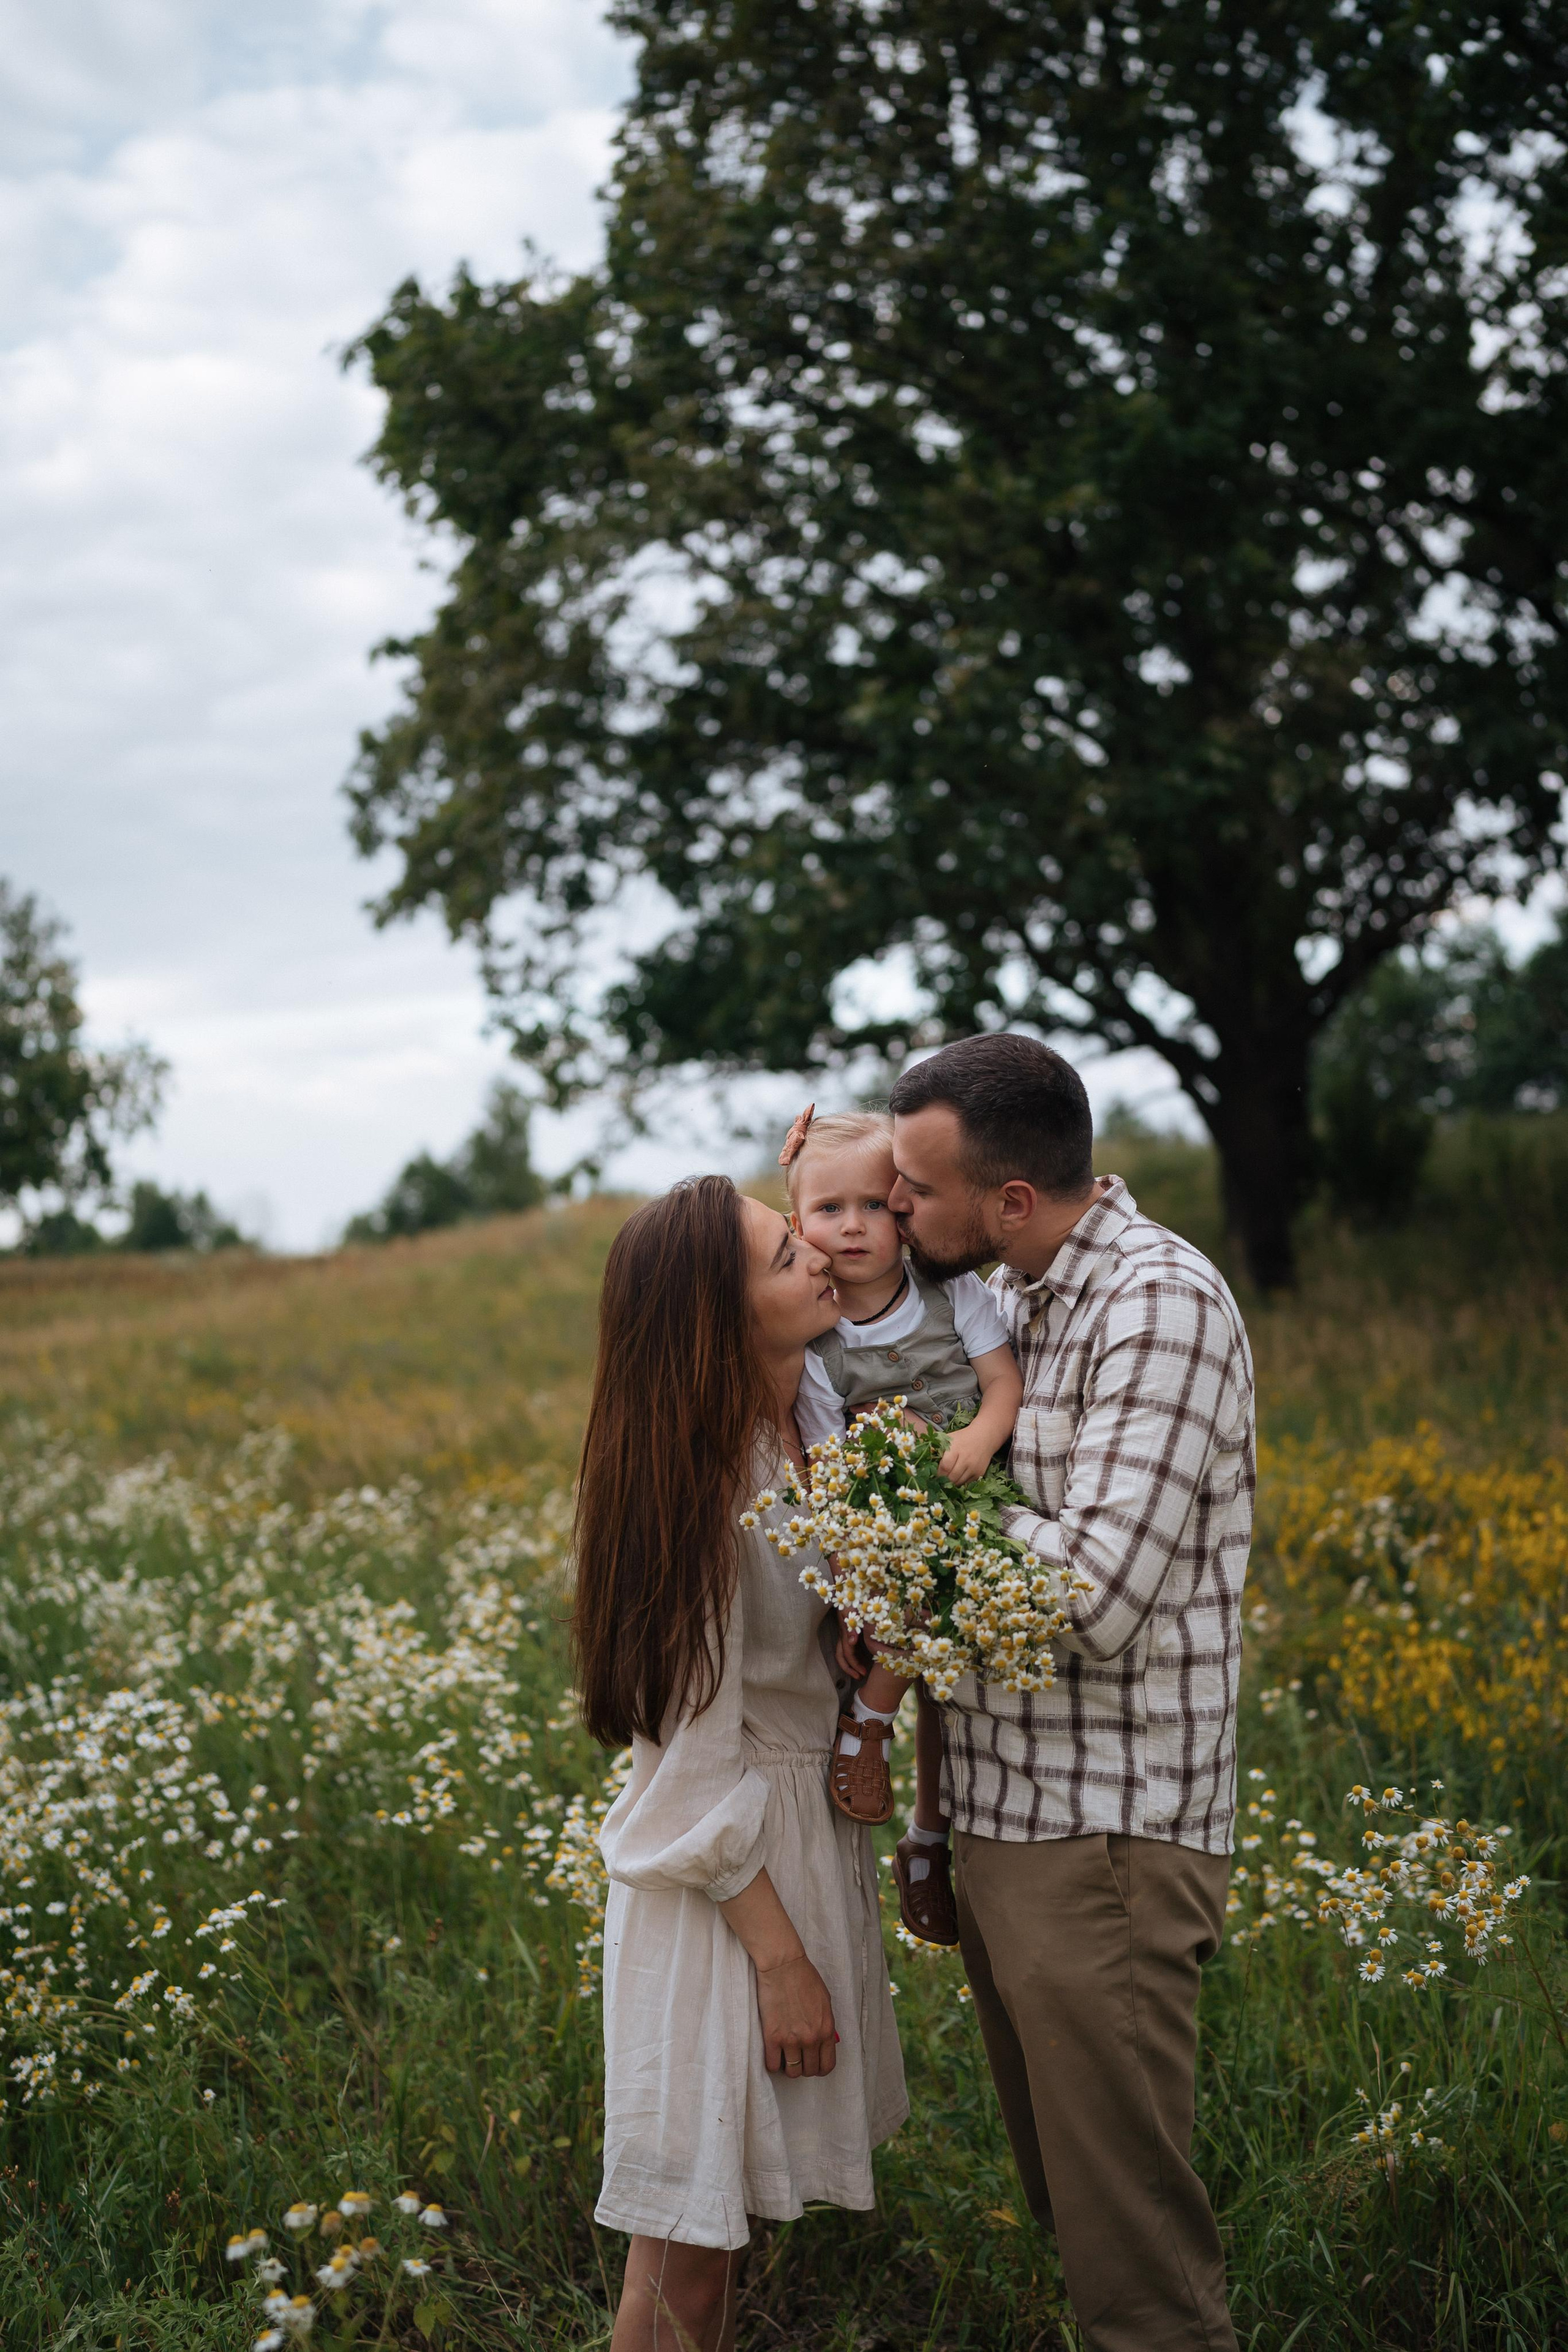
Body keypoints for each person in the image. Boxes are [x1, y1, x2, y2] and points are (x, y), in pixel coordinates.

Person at [885, 1033, 1252, 2352]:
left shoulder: (1155, 1304)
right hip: (1005, 1821)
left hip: (1103, 1838)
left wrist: (914, 1511)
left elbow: (1097, 1599)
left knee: (1137, 2277)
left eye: (913, 1192)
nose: (892, 1210)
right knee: (1075, 2220)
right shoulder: (1015, 1297)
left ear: (1010, 1200)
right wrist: (935, 1820)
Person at [573, 1175, 908, 2352]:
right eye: (783, 1256)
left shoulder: (797, 1427)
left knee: (712, 2258)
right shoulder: (713, 1491)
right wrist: (783, 1964)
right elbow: (694, 1771)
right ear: (720, 1318)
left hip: (782, 1854)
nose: (820, 1255)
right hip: (725, 1902)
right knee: (685, 2261)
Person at [780, 1105, 1022, 1946]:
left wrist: (976, 1442)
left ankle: (911, 1806)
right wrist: (853, 1591)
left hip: (975, 1489)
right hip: (888, 1517)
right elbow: (824, 1470)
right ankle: (886, 1762)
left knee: (953, 1672)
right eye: (829, 1210)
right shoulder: (815, 1337)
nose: (854, 1227)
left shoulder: (950, 1290)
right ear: (798, 1224)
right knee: (915, 1621)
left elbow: (1001, 1385)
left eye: (875, 1206)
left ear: (904, 1210)